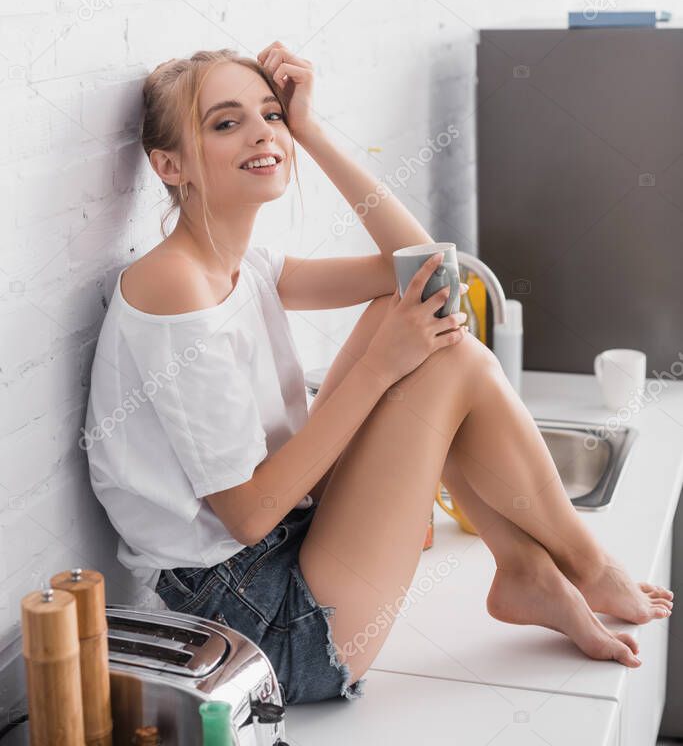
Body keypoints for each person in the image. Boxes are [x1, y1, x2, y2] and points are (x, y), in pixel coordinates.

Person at [85, 43, 673, 707]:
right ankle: (579, 566)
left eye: (270, 115)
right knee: (448, 353)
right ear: (169, 165)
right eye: (225, 123)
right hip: (260, 628)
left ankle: (528, 569)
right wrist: (380, 365)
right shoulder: (172, 285)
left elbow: (426, 268)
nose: (260, 133)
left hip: (290, 549)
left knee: (420, 309)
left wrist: (311, 128)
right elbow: (247, 516)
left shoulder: (246, 266)